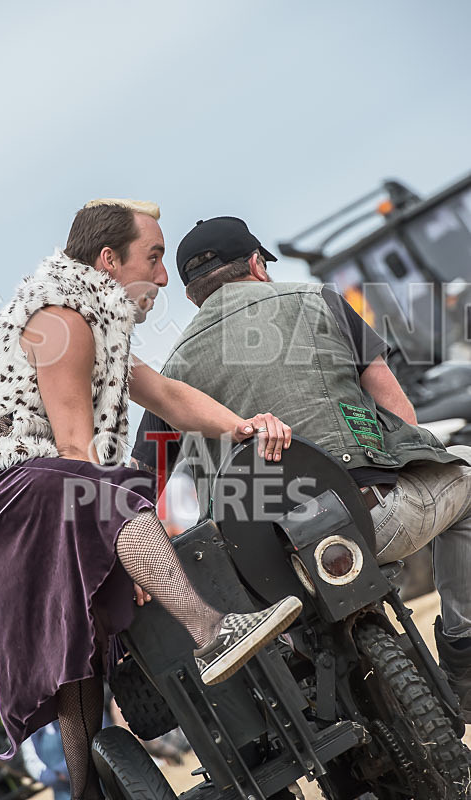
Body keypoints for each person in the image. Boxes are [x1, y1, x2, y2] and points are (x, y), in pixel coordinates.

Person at [0, 200, 303, 800]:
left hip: (18, 484)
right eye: (152, 258)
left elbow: (170, 397)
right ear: (108, 260)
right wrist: (120, 541)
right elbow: (78, 453)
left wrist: (245, 427)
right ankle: (215, 631)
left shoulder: (95, 324)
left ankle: (84, 791)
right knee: (116, 490)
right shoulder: (63, 320)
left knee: (81, 633)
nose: (161, 275)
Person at [132, 215, 471, 723]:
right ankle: (463, 654)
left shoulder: (172, 371)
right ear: (255, 265)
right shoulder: (321, 301)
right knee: (465, 486)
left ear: (192, 297)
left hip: (271, 571)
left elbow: (147, 479)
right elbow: (397, 409)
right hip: (372, 517)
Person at [21, 721, 70, 800]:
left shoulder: (65, 715)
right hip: (62, 791)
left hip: (87, 777)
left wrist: (68, 768)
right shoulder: (28, 732)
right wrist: (56, 774)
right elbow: (31, 762)